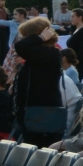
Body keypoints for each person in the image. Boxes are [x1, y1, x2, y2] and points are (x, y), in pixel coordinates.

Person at [13, 16, 69, 146]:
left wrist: (41, 37)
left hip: (40, 112)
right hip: (36, 109)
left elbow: (20, 46)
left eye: (26, 36)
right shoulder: (40, 53)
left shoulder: (48, 53)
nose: (24, 39)